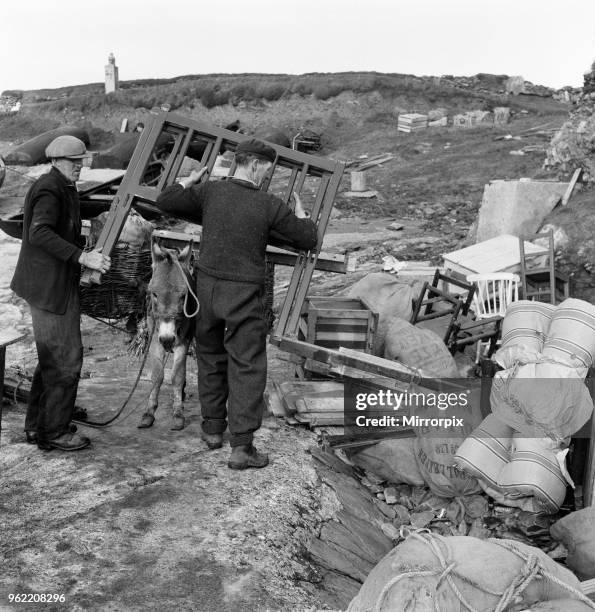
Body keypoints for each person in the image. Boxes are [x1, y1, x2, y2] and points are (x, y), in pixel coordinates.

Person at [155, 138, 317, 469]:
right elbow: (308, 239)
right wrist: (302, 215)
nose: (267, 177)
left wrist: (189, 179)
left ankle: (213, 430)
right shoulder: (269, 205)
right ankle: (241, 447)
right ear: (255, 165)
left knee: (212, 359)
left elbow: (167, 199)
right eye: (267, 171)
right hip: (244, 295)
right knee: (246, 365)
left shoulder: (210, 192)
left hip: (208, 291)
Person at [11, 135, 111, 451]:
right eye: (74, 161)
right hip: (48, 289)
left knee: (50, 358)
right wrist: (83, 257)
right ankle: (53, 432)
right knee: (66, 360)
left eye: (82, 161)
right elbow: (39, 232)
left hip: (50, 284)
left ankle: (36, 426)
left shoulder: (63, 186)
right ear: (56, 161)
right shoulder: (49, 189)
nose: (80, 166)